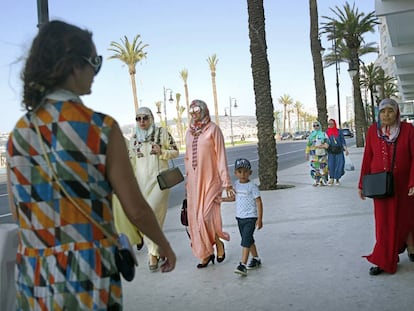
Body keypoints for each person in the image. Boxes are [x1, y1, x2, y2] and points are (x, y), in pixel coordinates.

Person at [6, 20, 176, 310]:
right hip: (89, 276)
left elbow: (18, 212)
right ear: (74, 66)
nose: (95, 74)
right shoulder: (101, 129)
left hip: (35, 277)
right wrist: (165, 246)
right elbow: (135, 208)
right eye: (94, 63)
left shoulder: (19, 134)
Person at [358, 98, 414, 276]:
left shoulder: (407, 130)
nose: (386, 114)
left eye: (390, 110)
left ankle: (410, 247)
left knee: (405, 219)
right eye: (383, 111)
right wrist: (362, 184)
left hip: (404, 185)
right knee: (383, 224)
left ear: (396, 112)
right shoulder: (373, 132)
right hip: (380, 186)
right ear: (378, 114)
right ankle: (384, 259)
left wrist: (413, 181)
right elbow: (368, 157)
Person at [184, 99, 235, 268]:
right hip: (194, 182)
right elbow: (187, 158)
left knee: (204, 217)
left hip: (211, 180)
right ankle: (205, 254)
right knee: (196, 220)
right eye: (191, 110)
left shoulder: (213, 129)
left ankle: (218, 243)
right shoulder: (189, 133)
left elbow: (221, 156)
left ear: (204, 109)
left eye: (197, 109)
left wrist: (226, 182)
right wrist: (188, 180)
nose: (194, 113)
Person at [128, 106, 179, 271]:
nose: (142, 121)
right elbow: (132, 162)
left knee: (151, 211)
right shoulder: (134, 138)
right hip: (142, 184)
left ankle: (152, 254)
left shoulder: (161, 133)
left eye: (145, 118)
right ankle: (158, 249)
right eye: (138, 118)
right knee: (152, 217)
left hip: (160, 181)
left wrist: (162, 151)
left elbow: (175, 151)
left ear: (151, 118)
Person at [221, 158, 263, 276]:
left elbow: (259, 202)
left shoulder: (252, 186)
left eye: (245, 171)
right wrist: (222, 200)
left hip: (251, 217)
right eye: (239, 172)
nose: (242, 174)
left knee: (245, 240)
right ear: (235, 173)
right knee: (248, 240)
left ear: (250, 172)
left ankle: (242, 265)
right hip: (240, 218)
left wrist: (260, 219)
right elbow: (234, 198)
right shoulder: (236, 185)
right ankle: (256, 259)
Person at [305, 121, 329, 186]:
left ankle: (323, 181)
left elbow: (327, 144)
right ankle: (317, 181)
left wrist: (321, 146)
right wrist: (307, 153)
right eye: (314, 126)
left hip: (322, 154)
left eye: (317, 125)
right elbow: (308, 144)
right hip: (313, 155)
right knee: (315, 168)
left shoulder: (323, 134)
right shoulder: (311, 135)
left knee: (323, 167)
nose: (316, 127)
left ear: (320, 126)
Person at [326, 119, 349, 185]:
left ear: (335, 124)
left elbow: (342, 141)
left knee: (340, 164)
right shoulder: (327, 132)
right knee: (331, 165)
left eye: (332, 124)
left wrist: (346, 149)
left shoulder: (339, 132)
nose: (330, 125)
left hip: (339, 150)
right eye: (329, 124)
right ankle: (332, 178)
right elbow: (325, 141)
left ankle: (337, 179)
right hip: (331, 151)